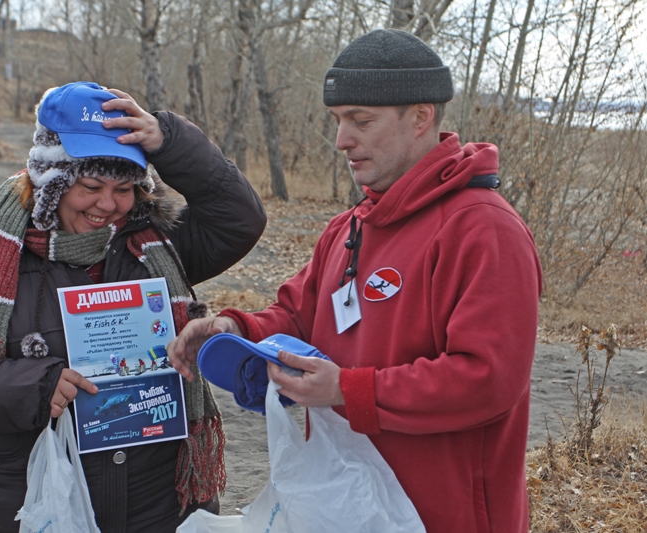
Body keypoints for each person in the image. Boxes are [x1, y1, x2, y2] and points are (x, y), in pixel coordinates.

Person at [169, 30, 542, 533]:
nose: (342, 139)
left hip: (444, 514)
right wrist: (235, 330)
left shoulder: (484, 229)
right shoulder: (350, 227)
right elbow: (298, 316)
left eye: (360, 120)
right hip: (351, 505)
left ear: (421, 117)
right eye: (338, 120)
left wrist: (349, 391)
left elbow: (488, 380)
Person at [0, 81, 266, 532]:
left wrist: (168, 139)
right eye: (90, 185)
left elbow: (240, 219)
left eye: (126, 188)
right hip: (31, 502)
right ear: (52, 181)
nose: (108, 205)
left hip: (153, 503)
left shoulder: (154, 244)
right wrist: (31, 387)